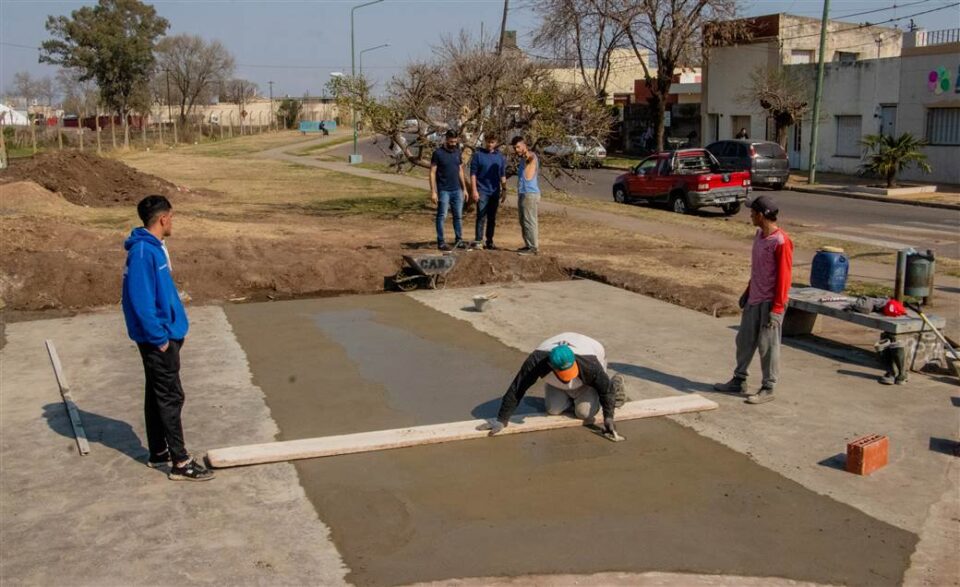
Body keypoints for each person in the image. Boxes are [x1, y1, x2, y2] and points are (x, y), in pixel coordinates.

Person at [122, 195, 214, 481]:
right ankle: (180, 462)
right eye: (171, 217)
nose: (172, 222)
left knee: (157, 393)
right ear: (163, 218)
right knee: (171, 396)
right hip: (158, 338)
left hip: (166, 333)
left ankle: (158, 452)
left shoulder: (154, 248)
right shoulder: (142, 253)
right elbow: (140, 300)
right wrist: (158, 338)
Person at [714, 195, 793, 404]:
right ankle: (739, 380)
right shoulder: (759, 236)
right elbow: (759, 269)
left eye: (752, 212)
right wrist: (747, 292)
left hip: (770, 303)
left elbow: (784, 277)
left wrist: (777, 309)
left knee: (767, 346)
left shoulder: (781, 241)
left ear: (761, 215)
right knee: (744, 341)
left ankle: (768, 387)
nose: (749, 215)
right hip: (754, 299)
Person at [479, 333, 628, 442]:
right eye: (563, 372)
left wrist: (608, 417)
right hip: (557, 380)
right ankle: (571, 397)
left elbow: (605, 390)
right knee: (553, 410)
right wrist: (502, 419)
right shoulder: (536, 361)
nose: (568, 375)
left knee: (584, 413)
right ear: (550, 366)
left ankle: (616, 384)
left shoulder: (590, 364)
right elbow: (518, 387)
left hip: (588, 378)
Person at [430, 130, 468, 251]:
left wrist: (465, 189)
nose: (453, 143)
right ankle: (441, 242)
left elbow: (460, 171)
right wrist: (433, 191)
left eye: (455, 141)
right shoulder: (438, 153)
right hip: (444, 190)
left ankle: (459, 240)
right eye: (451, 141)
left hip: (457, 190)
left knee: (458, 216)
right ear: (446, 139)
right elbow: (432, 172)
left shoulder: (457, 152)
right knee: (442, 215)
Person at [469, 134, 508, 250]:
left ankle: (489, 241)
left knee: (492, 218)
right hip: (482, 191)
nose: (490, 144)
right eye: (488, 142)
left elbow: (502, 174)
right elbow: (473, 174)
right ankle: (478, 240)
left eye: (493, 142)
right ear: (485, 141)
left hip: (494, 191)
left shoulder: (500, 157)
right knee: (481, 216)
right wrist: (474, 190)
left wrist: (504, 189)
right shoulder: (478, 155)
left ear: (496, 143)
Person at [510, 135, 541, 255]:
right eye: (515, 148)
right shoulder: (522, 160)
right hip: (523, 193)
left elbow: (530, 157)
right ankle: (528, 245)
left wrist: (526, 152)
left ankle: (533, 247)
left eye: (518, 147)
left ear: (524, 146)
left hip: (530, 193)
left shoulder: (531, 156)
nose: (516, 149)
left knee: (530, 220)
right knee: (523, 221)